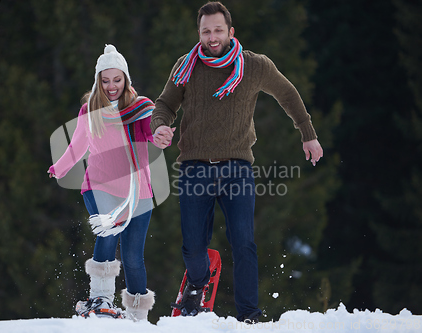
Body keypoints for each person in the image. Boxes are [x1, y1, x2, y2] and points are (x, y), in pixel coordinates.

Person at [151, 1, 323, 323]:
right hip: (194, 167)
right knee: (192, 248)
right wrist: (159, 126)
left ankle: (249, 315)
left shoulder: (255, 66)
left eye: (218, 30)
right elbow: (164, 105)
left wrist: (307, 133)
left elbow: (287, 94)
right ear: (199, 33)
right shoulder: (185, 66)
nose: (212, 37)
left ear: (230, 31)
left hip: (237, 166)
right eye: (206, 31)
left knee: (244, 241)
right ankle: (199, 282)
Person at [48, 44, 156, 321]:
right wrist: (59, 168)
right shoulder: (90, 110)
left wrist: (163, 134)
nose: (111, 86)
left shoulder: (141, 109)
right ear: (98, 81)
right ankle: (101, 298)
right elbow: (77, 146)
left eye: (116, 80)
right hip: (99, 185)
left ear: (126, 79)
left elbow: (153, 138)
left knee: (133, 256)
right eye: (105, 81)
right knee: (108, 232)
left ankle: (136, 316)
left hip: (137, 192)